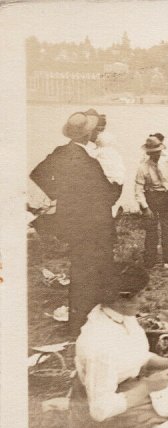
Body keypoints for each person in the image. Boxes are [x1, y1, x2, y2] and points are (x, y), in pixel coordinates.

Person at [29, 110, 122, 336]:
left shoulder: (60, 153)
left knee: (80, 270)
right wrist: (118, 185)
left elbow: (37, 173)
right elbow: (107, 195)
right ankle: (92, 323)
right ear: (86, 135)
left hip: (73, 223)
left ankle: (78, 322)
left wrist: (60, 194)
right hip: (95, 225)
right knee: (98, 271)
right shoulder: (88, 162)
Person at [71, 263, 168, 428]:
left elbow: (136, 356)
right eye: (140, 295)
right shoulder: (99, 343)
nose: (144, 301)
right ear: (121, 299)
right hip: (110, 408)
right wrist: (146, 388)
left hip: (132, 389)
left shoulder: (122, 317)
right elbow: (100, 410)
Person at [135, 136, 168, 269]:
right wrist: (145, 208)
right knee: (151, 230)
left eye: (158, 151)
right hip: (151, 198)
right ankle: (150, 261)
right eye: (153, 152)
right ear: (148, 153)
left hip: (166, 197)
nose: (156, 155)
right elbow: (138, 189)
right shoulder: (143, 166)